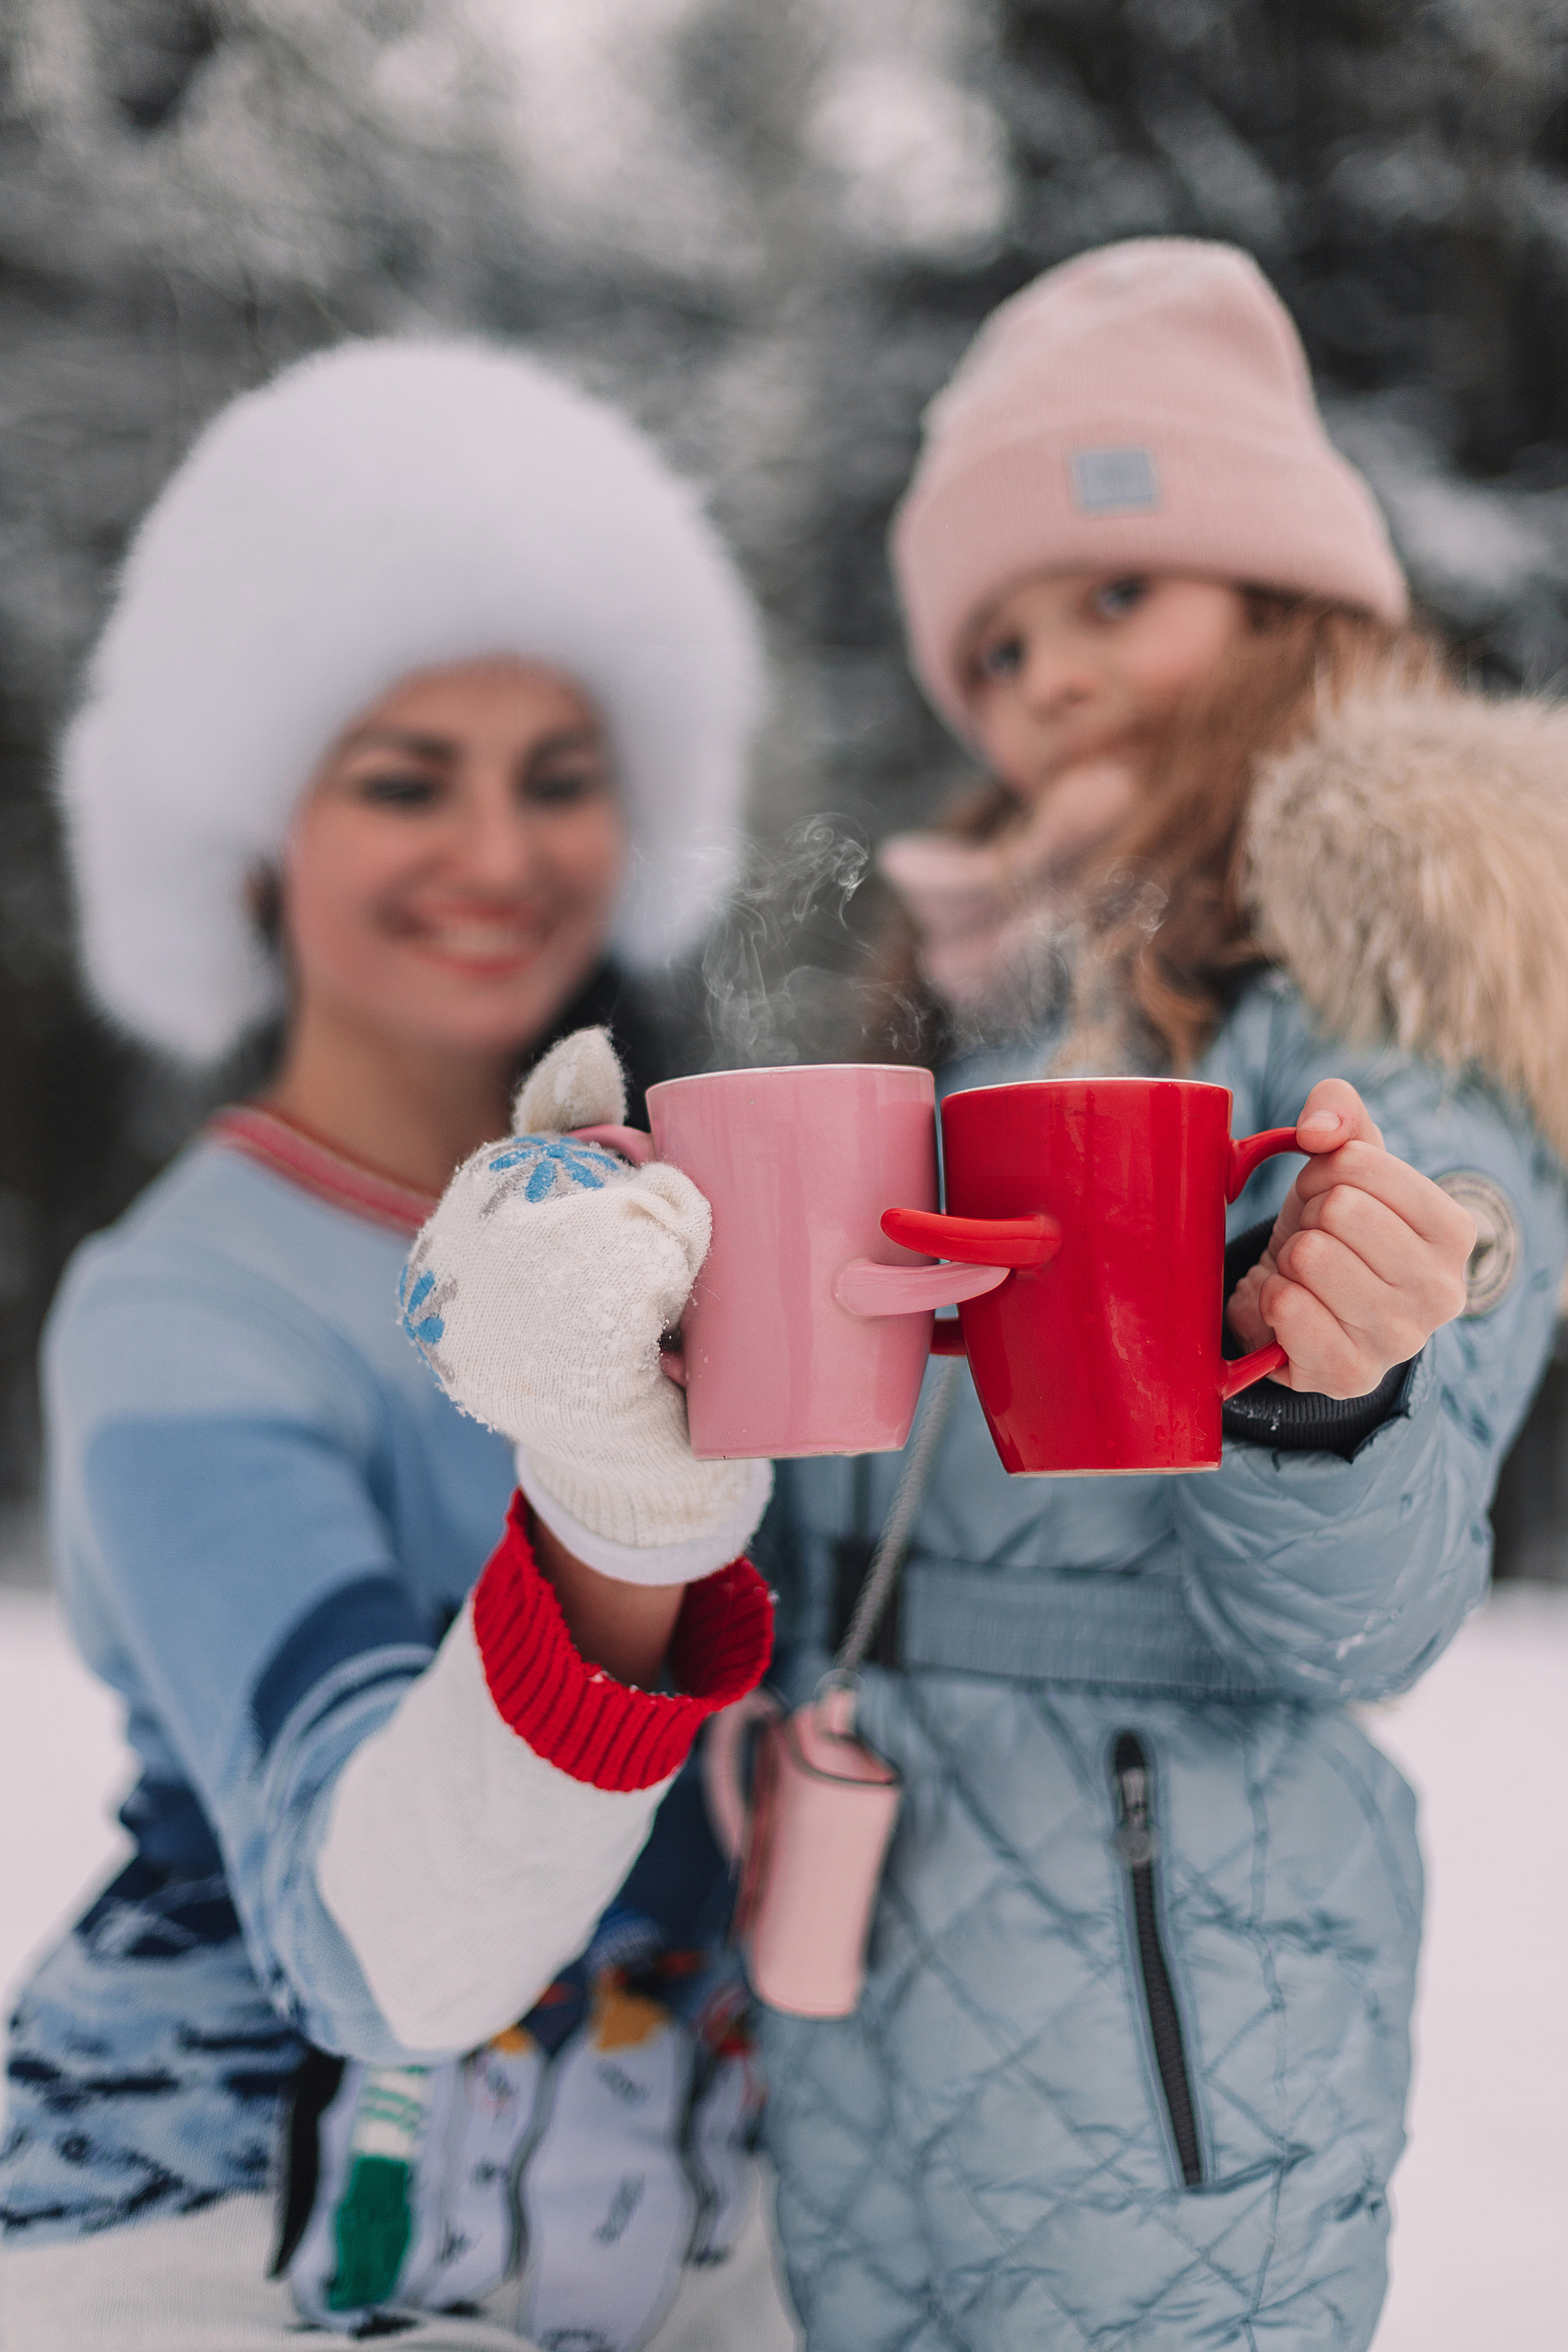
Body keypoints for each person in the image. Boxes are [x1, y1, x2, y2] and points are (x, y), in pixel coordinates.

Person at [410, 242, 1568, 2349]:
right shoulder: (923, 1006)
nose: (1044, 672)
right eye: (999, 632)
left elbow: (1367, 1616)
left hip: (1183, 1973)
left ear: (1298, 601)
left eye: (1117, 590)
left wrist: (1333, 1385)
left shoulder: (1386, 998)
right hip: (853, 1911)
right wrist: (634, 1291)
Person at [0, 340, 799, 2350]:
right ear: (254, 830)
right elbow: (373, 1947)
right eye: (401, 780)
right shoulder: (181, 1309)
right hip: (227, 2235)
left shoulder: (709, 1213)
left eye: (560, 777)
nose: (501, 856)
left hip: (668, 2212)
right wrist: (620, 1516)